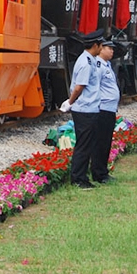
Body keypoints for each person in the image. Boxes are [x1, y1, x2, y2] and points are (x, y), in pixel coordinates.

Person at [60, 28, 103, 190]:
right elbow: (79, 87)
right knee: (83, 145)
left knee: (87, 144)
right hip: (84, 110)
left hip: (90, 109)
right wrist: (70, 102)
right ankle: (78, 178)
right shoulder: (85, 63)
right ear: (95, 45)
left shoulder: (89, 59)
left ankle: (82, 176)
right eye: (101, 45)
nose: (102, 48)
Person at [92, 39, 120, 184]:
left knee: (106, 142)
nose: (112, 51)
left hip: (109, 109)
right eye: (109, 48)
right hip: (102, 109)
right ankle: (99, 174)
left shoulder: (107, 64)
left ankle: (102, 171)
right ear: (101, 49)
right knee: (101, 143)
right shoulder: (98, 66)